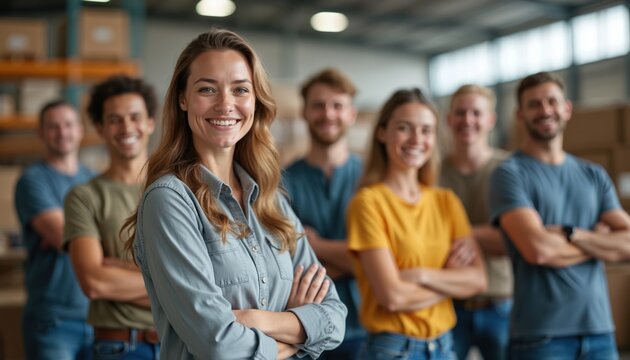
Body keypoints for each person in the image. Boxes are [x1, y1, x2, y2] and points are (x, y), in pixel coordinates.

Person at [121, 28, 346, 359]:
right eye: (207, 89)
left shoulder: (272, 201)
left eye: (240, 89)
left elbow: (336, 320)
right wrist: (298, 332)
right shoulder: (169, 201)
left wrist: (256, 320)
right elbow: (219, 346)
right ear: (183, 99)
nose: (225, 104)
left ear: (255, 100)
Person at [490, 71, 630, 359]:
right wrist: (599, 244)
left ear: (567, 109)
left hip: (600, 330)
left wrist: (572, 234)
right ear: (520, 114)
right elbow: (538, 250)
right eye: (534, 104)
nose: (545, 110)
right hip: (541, 336)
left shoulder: (593, 174)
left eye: (552, 101)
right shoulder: (509, 173)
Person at [347, 88, 487, 360]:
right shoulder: (368, 203)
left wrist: (422, 275)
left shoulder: (446, 201)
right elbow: (393, 297)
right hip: (393, 349)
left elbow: (479, 280)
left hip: (445, 347)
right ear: (382, 133)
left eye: (426, 130)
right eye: (404, 128)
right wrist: (450, 283)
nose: (416, 139)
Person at [63, 75, 159, 359]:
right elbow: (95, 282)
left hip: (180, 343)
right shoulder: (84, 197)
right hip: (121, 348)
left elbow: (208, 281)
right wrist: (171, 285)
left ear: (150, 123)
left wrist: (124, 272)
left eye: (135, 117)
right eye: (115, 119)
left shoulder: (177, 190)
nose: (126, 127)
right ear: (100, 129)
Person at [283, 68, 366, 359]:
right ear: (304, 112)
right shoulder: (282, 183)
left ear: (352, 114)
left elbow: (389, 259)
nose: (328, 114)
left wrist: (315, 247)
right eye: (318, 105)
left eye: (337, 106)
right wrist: (358, 258)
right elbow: (286, 268)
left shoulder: (372, 180)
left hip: (367, 329)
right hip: (306, 329)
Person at [14, 100, 95, 359]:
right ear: (41, 133)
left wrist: (79, 236)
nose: (62, 132)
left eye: (68, 125)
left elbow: (116, 237)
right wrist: (86, 235)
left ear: (80, 129)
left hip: (97, 317)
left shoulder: (94, 180)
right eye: (53, 126)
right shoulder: (33, 180)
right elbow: (62, 235)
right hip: (53, 321)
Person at [439, 84, 511, 360]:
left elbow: (517, 241)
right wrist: (489, 234)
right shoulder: (432, 172)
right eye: (460, 113)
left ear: (491, 119)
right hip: (448, 303)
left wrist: (459, 234)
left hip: (500, 303)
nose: (467, 120)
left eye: (476, 113)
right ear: (448, 119)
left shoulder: (510, 170)